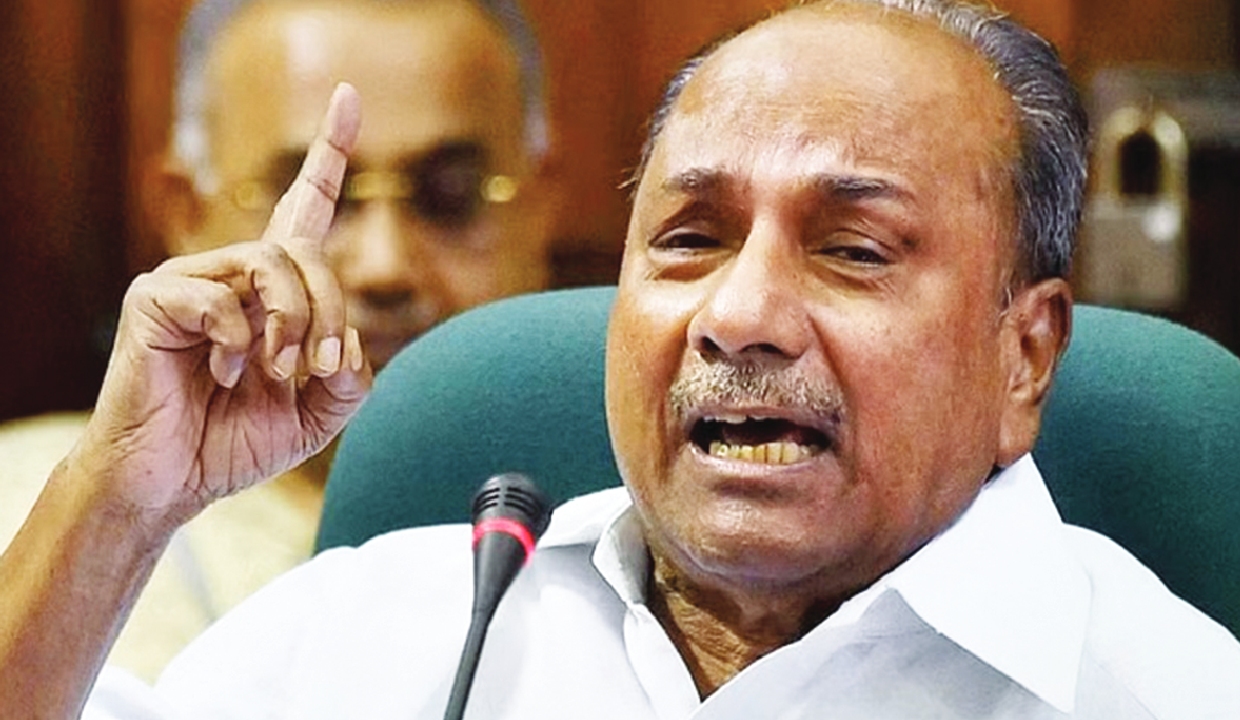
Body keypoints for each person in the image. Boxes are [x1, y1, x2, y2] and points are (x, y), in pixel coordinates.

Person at [2, 0, 1239, 717]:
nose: (739, 315)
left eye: (851, 250)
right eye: (690, 239)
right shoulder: (387, 628)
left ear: (1023, 355)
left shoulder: (1168, 690)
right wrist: (118, 496)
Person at [0, 0, 555, 682]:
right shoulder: (33, 507)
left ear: (541, 206)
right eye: (315, 198)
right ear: (185, 209)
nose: (384, 266)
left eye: (451, 195)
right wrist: (116, 512)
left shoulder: (633, 519)